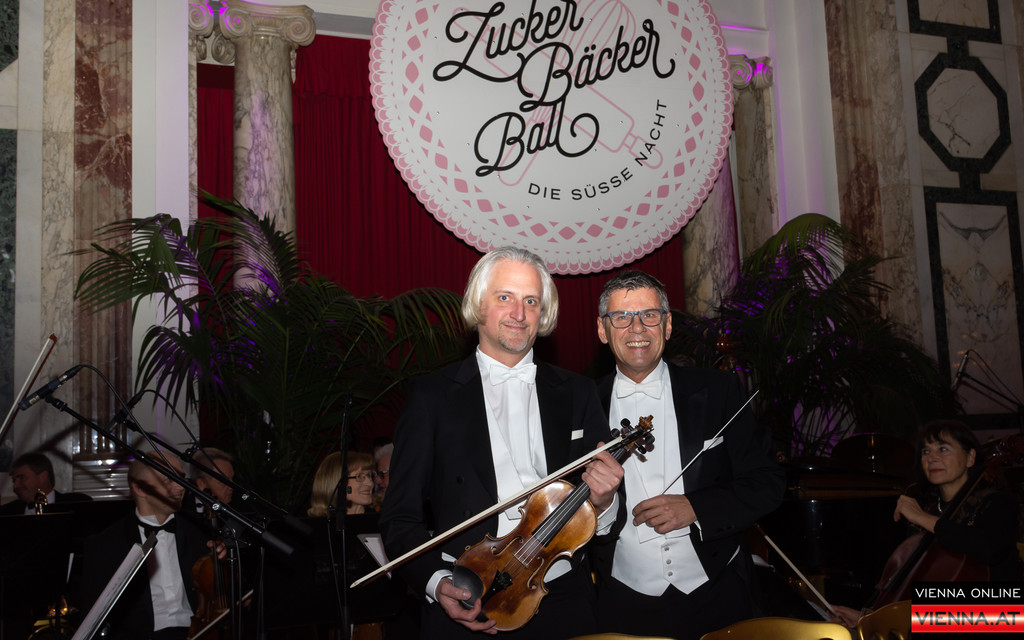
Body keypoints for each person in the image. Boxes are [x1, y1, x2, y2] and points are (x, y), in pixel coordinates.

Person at [379, 246, 623, 640]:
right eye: (505, 297)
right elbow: (399, 518)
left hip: (560, 597)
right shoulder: (431, 396)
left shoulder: (578, 392)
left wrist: (605, 500)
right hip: (468, 595)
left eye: (531, 301)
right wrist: (437, 582)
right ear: (479, 304)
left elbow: (602, 515)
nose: (519, 313)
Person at [591, 270, 785, 640]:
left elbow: (767, 482)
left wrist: (697, 507)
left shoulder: (720, 391)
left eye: (649, 315)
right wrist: (602, 508)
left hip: (718, 592)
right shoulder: (580, 405)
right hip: (623, 599)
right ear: (603, 330)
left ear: (666, 326)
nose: (637, 328)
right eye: (622, 317)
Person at [832, 419, 1023, 627]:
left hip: (1002, 616)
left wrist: (922, 518)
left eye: (943, 449)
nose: (932, 457)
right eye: (925, 451)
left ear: (970, 458)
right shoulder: (929, 511)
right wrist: (868, 617)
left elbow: (988, 548)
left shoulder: (998, 502)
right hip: (937, 620)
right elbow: (911, 592)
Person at [76, 452, 221, 640]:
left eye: (181, 479)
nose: (180, 487)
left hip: (196, 633)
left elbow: (224, 597)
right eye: (168, 480)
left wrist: (224, 562)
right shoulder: (104, 546)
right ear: (139, 488)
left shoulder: (202, 532)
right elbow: (92, 618)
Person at [0, 451, 92, 515]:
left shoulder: (79, 504)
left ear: (43, 477)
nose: (15, 486)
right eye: (14, 480)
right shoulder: (6, 513)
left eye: (21, 478)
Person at [307, 450, 376, 517]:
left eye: (369, 475)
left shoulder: (379, 520)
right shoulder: (319, 524)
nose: (370, 483)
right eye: (359, 476)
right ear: (337, 481)